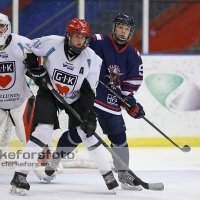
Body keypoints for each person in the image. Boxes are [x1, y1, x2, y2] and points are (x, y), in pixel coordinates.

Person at [10, 18, 119, 196]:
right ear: (68, 35)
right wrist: (34, 67)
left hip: (75, 98)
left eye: (83, 37)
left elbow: (88, 91)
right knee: (42, 132)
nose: (79, 40)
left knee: (87, 133)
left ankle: (107, 176)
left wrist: (88, 115)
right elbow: (28, 48)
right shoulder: (52, 42)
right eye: (76, 36)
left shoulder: (92, 59)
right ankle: (19, 176)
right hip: (49, 93)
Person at [45, 13, 145, 191]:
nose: (123, 31)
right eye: (120, 27)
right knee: (77, 135)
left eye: (127, 29)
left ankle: (123, 173)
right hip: (88, 97)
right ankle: (56, 158)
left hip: (112, 101)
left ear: (131, 32)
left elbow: (133, 79)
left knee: (119, 137)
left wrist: (128, 99)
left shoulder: (133, 54)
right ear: (114, 27)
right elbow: (75, 47)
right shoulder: (97, 40)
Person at [0, 13, 34, 165]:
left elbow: (39, 61)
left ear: (7, 27)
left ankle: (46, 165)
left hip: (21, 100)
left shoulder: (23, 43)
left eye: (1, 26)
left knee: (30, 136)